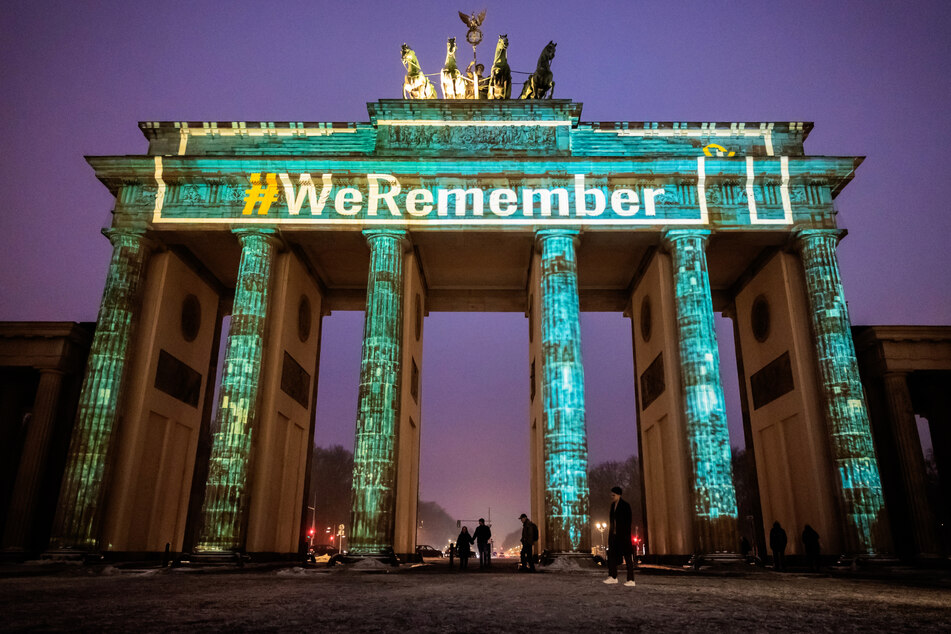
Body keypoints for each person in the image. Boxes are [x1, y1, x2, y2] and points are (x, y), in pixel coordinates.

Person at [603, 486, 636, 587]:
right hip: (614, 535)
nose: (611, 496)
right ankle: (613, 576)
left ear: (618, 495)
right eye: (611, 494)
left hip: (623, 536)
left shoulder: (625, 505)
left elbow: (628, 521)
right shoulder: (613, 506)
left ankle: (631, 579)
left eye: (613, 495)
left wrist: (625, 533)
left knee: (627, 557)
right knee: (612, 556)